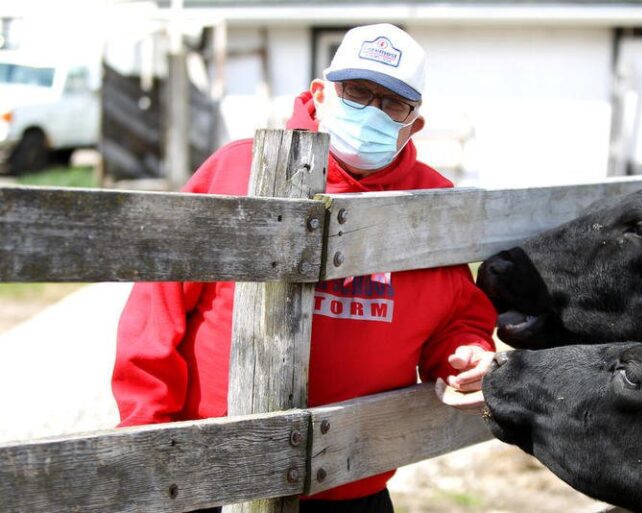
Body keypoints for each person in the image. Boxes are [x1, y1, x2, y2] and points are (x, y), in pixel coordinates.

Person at [112, 23, 497, 513]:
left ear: (413, 123)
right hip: (208, 474)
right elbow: (158, 305)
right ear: (321, 92)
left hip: (353, 482)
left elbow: (456, 318)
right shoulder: (237, 171)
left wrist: (464, 351)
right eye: (357, 92)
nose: (370, 112)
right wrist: (147, 434)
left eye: (392, 103)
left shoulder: (433, 206)